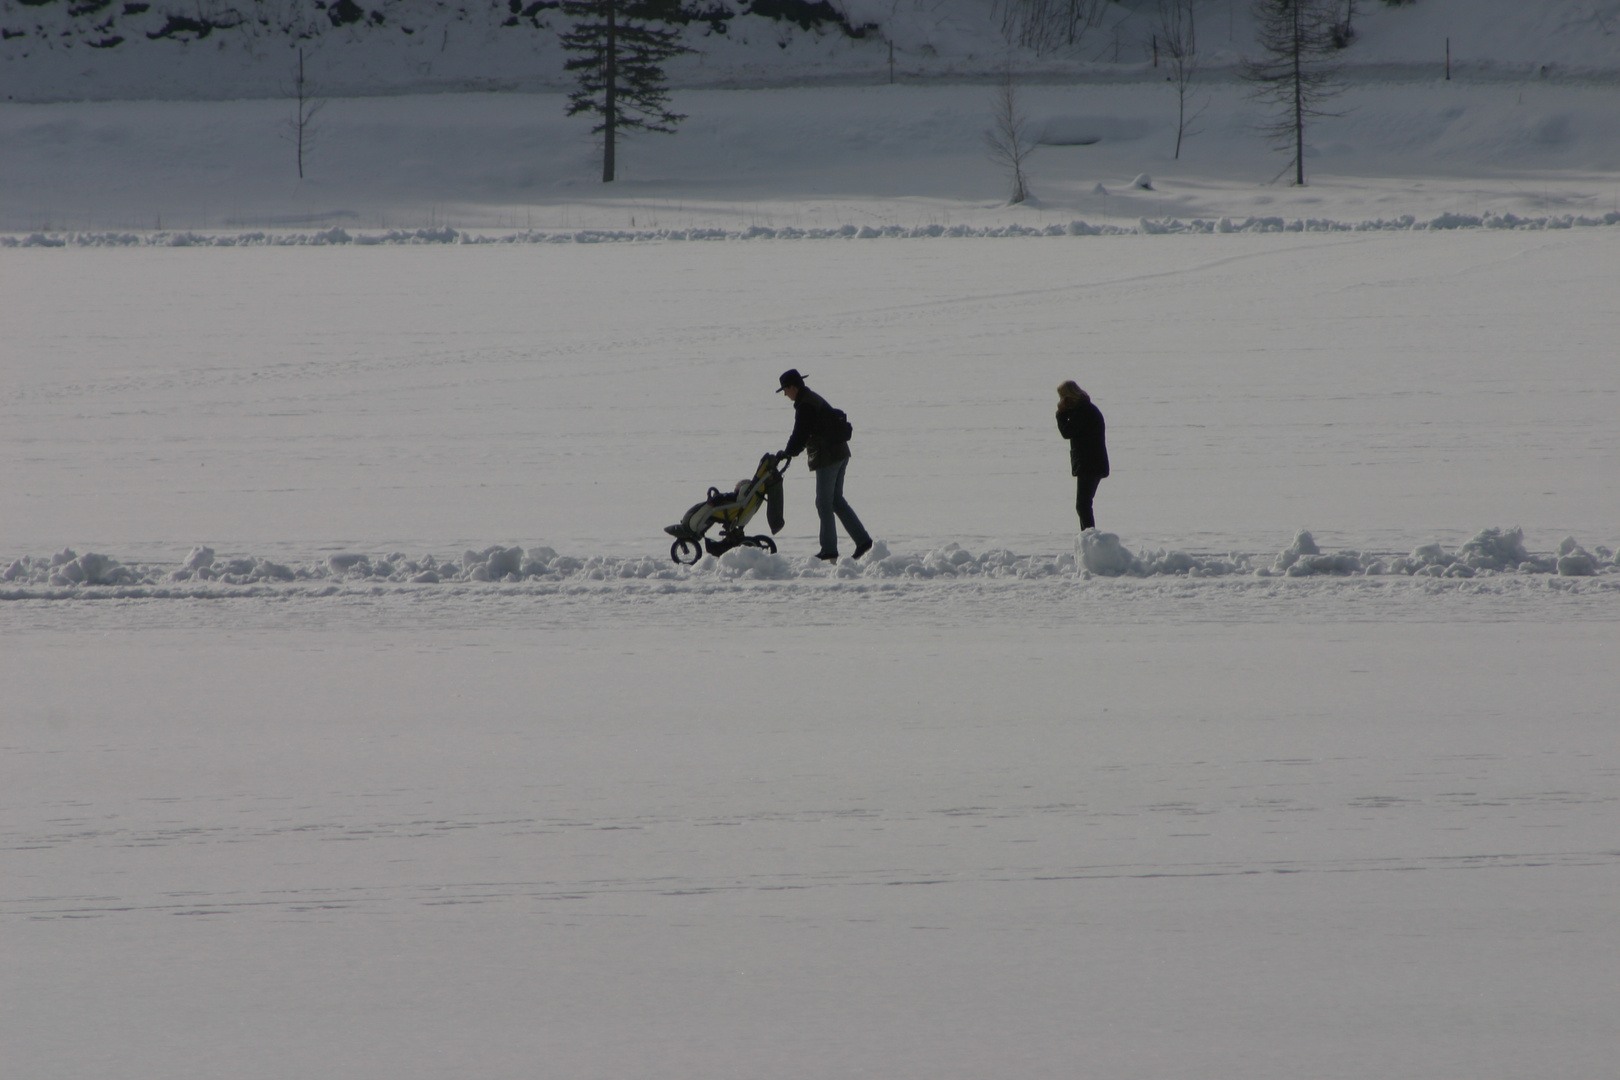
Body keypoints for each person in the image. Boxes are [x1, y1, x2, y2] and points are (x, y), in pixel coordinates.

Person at [775, 369, 872, 563]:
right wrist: (790, 452)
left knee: (824, 503)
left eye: (785, 390)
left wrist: (788, 452)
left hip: (829, 457)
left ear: (792, 387)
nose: (785, 395)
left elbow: (800, 433)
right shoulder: (810, 399)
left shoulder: (806, 405)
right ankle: (863, 541)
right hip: (840, 453)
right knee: (835, 500)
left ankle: (829, 550)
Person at [1055, 380, 1109, 531]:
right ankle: (1089, 538)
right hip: (1092, 463)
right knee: (1084, 505)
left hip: (1089, 464)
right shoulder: (1085, 410)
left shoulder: (1083, 411)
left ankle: (1090, 538)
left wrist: (1060, 414)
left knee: (1083, 505)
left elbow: (1067, 432)